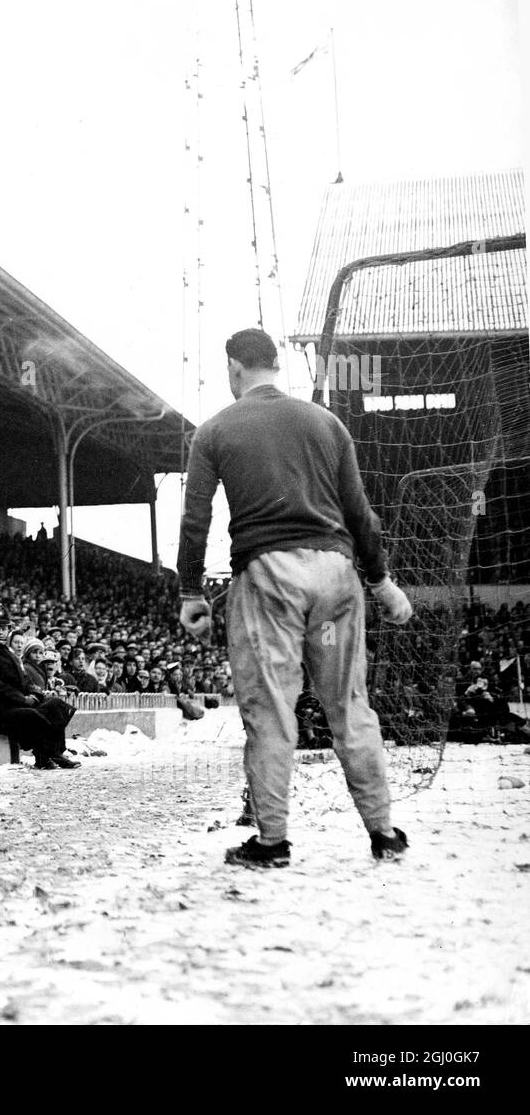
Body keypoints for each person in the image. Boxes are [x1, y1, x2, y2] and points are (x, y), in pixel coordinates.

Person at [176, 327, 413, 868]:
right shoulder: (326, 422)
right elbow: (360, 513)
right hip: (335, 575)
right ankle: (384, 834)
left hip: (268, 580)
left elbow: (195, 519)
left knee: (271, 713)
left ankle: (272, 842)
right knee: (350, 708)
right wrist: (381, 580)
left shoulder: (215, 430)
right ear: (275, 365)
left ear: (234, 367)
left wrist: (191, 589)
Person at [0, 604, 79, 770]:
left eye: (4, 628)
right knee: (32, 715)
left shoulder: (9, 652)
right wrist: (23, 699)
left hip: (15, 705)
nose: (0, 632)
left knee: (56, 705)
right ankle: (49, 753)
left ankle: (50, 754)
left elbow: (24, 679)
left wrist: (35, 694)